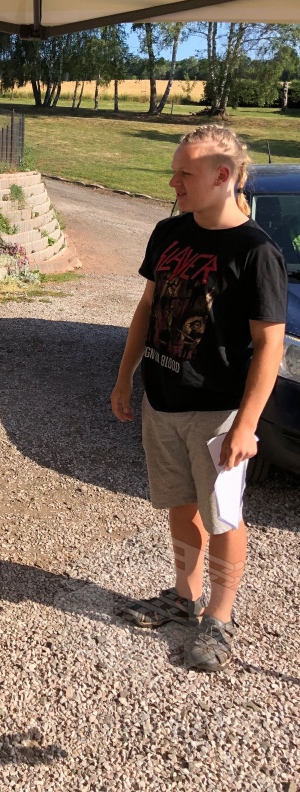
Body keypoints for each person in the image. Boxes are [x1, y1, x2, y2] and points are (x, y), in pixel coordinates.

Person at [110, 125, 287, 672]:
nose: (174, 182)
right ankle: (185, 596)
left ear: (222, 175)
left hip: (218, 411)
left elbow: (270, 345)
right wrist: (125, 376)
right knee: (180, 505)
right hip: (162, 399)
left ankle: (219, 617)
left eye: (185, 173)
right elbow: (147, 308)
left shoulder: (256, 253)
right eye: (175, 172)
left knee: (223, 518)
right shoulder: (168, 232)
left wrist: (246, 425)